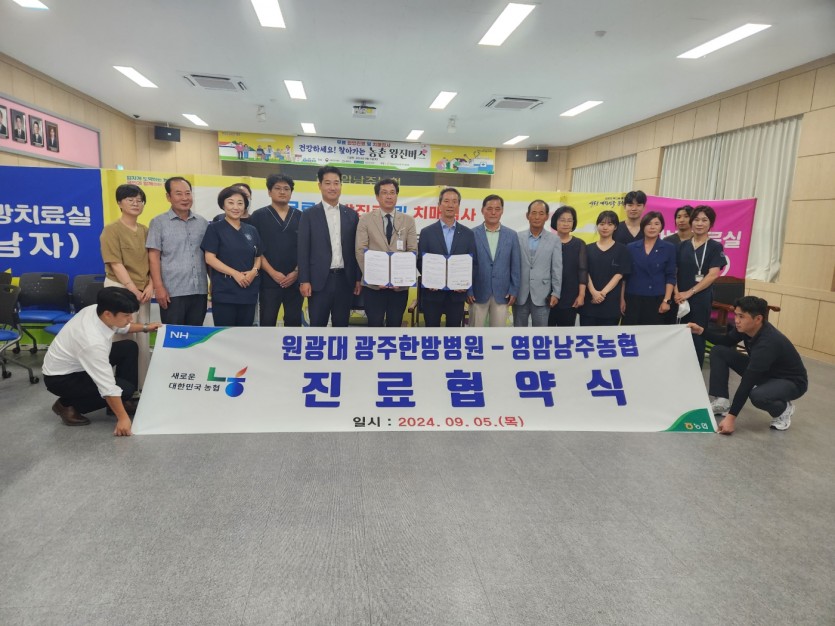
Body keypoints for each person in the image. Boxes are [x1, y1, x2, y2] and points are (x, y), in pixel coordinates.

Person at [42, 287, 161, 436]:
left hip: (78, 363)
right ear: (108, 314)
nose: (130, 319)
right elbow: (107, 386)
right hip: (61, 378)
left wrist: (145, 327)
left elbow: (121, 327)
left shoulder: (97, 310)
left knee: (128, 347)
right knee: (124, 389)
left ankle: (122, 402)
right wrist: (123, 419)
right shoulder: (91, 341)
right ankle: (66, 406)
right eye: (126, 315)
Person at [688, 296, 807, 435]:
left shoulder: (768, 342)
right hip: (767, 372)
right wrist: (701, 331)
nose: (736, 320)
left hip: (792, 381)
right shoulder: (745, 329)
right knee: (719, 351)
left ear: (758, 319)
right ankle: (721, 401)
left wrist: (730, 419)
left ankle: (783, 409)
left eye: (742, 316)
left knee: (758, 395)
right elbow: (726, 341)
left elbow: (747, 382)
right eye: (736, 315)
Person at [99, 184, 154, 388]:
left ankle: (141, 386)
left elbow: (153, 261)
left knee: (142, 338)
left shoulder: (146, 231)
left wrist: (150, 285)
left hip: (143, 291)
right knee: (121, 337)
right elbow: (115, 263)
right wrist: (132, 289)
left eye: (139, 200)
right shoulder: (111, 230)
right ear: (119, 203)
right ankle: (119, 388)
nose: (136, 203)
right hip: (120, 289)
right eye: (130, 200)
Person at [298, 166, 361, 327]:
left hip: (345, 280)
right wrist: (304, 280)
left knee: (341, 326)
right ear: (320, 185)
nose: (332, 187)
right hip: (319, 282)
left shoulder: (351, 215)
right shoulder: (309, 215)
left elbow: (356, 250)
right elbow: (303, 250)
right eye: (327, 183)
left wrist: (357, 278)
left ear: (341, 186)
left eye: (336, 183)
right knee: (317, 326)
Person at [146, 176, 209, 326]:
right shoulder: (158, 222)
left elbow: (208, 255)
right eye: (179, 194)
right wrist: (158, 287)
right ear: (168, 197)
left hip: (199, 290)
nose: (185, 198)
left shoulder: (202, 222)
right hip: (172, 292)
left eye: (188, 193)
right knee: (174, 335)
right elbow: (153, 257)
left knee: (195, 335)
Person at [355, 178, 417, 327]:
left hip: (399, 287)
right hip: (374, 287)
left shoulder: (408, 221)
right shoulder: (365, 219)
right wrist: (374, 278)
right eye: (384, 193)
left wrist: (400, 279)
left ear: (397, 195)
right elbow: (360, 250)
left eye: (392, 192)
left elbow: (413, 250)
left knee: (395, 325)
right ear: (377, 196)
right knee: (374, 324)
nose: (389, 196)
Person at [201, 186, 262, 327]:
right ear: (223, 205)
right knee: (225, 333)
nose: (236, 207)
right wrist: (235, 274)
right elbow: (210, 258)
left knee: (245, 333)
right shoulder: (214, 228)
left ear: (245, 206)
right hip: (225, 291)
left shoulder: (251, 230)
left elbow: (258, 256)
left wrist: (254, 271)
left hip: (248, 291)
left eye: (240, 203)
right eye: (231, 202)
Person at [417, 187, 477, 327]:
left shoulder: (468, 234)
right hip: (432, 294)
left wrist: (465, 283)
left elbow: (473, 263)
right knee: (431, 333)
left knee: (453, 333)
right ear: (439, 205)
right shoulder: (426, 232)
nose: (450, 205)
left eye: (454, 202)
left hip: (457, 295)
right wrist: (429, 279)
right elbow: (420, 261)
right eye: (446, 201)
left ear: (458, 206)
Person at [674, 205, 727, 366]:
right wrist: (677, 293)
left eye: (704, 220)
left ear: (711, 224)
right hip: (679, 298)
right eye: (696, 219)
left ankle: (694, 371)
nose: (699, 223)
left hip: (700, 299)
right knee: (678, 333)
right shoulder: (682, 246)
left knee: (696, 335)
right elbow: (673, 272)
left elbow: (713, 275)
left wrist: (689, 292)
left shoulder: (715, 247)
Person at [249, 174, 303, 327]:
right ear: (269, 192)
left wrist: (296, 272)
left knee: (294, 322)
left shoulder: (301, 216)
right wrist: (273, 273)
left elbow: (306, 248)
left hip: (295, 280)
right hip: (268, 280)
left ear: (291, 192)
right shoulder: (258, 216)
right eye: (277, 188)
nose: (282, 192)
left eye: (286, 189)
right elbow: (256, 249)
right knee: (267, 320)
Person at [470, 194, 520, 327]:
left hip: (502, 293)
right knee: (474, 332)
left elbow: (515, 265)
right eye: (489, 208)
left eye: (497, 209)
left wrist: (514, 290)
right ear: (482, 210)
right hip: (477, 292)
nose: (493, 212)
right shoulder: (472, 234)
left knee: (498, 333)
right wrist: (469, 290)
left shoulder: (512, 235)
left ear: (502, 211)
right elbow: (468, 265)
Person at [622, 211, 677, 325]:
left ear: (661, 227)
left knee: (653, 333)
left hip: (657, 298)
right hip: (632, 298)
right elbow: (624, 277)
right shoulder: (631, 247)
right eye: (649, 224)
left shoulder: (669, 248)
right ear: (643, 226)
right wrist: (621, 299)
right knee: (631, 332)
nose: (652, 227)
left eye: (656, 224)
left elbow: (670, 276)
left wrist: (666, 300)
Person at [514, 199, 561, 327]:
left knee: (540, 333)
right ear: (527, 215)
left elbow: (557, 268)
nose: (537, 217)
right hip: (520, 294)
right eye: (533, 213)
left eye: (541, 213)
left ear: (547, 216)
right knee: (519, 332)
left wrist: (556, 293)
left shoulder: (554, 240)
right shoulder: (517, 237)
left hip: (543, 294)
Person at [580, 211, 631, 326]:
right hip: (589, 303)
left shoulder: (622, 250)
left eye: (610, 224)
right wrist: (593, 292)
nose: (605, 227)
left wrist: (602, 294)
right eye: (602, 224)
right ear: (597, 225)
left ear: (615, 227)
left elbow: (619, 274)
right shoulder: (587, 248)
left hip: (611, 304)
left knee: (609, 336)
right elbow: (584, 272)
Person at [548, 205, 587, 327]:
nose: (566, 223)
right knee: (546, 332)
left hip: (570, 296)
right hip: (548, 295)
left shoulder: (579, 244)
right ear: (555, 221)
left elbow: (582, 271)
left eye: (569, 220)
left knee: (566, 333)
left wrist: (581, 295)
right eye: (562, 220)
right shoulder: (548, 242)